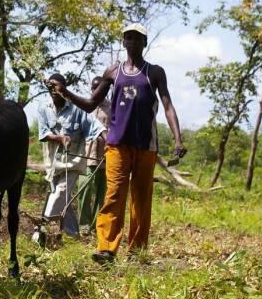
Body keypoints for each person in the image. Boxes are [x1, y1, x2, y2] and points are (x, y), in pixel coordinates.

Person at [51, 23, 186, 264]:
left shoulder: (154, 72)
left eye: (137, 38)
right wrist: (65, 92)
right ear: (123, 43)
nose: (132, 42)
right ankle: (106, 249)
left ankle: (136, 251)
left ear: (144, 43)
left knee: (141, 199)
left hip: (146, 146)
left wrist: (178, 139)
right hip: (117, 144)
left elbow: (167, 106)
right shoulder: (113, 72)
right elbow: (91, 104)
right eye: (128, 38)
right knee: (114, 195)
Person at [37, 73, 105, 238]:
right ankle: (73, 234)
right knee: (62, 198)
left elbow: (97, 127)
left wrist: (108, 142)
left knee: (60, 194)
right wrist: (58, 138)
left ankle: (41, 231)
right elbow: (43, 133)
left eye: (58, 87)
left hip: (73, 162)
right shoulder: (43, 107)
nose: (54, 90)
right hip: (53, 163)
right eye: (51, 87)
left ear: (64, 89)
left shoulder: (77, 109)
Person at [78, 76, 111, 235]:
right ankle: (83, 225)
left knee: (101, 192)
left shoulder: (112, 107)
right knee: (84, 188)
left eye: (100, 89)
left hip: (105, 156)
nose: (97, 91)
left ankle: (95, 226)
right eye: (94, 88)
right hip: (86, 154)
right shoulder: (84, 107)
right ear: (91, 89)